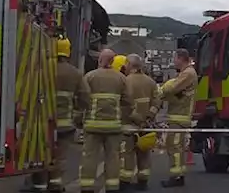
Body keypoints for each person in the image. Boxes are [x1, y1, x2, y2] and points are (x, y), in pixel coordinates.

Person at [35, 38, 86, 193]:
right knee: (60, 156)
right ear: (68, 51)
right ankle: (56, 184)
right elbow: (84, 98)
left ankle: (39, 184)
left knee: (41, 153)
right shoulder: (75, 73)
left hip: (41, 123)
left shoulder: (40, 69)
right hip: (65, 124)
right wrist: (77, 116)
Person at [80, 49, 134, 193]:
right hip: (113, 126)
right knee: (113, 158)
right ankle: (112, 187)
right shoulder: (121, 78)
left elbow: (81, 98)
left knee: (89, 157)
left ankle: (86, 187)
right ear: (112, 61)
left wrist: (81, 118)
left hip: (92, 125)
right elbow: (128, 101)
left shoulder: (90, 76)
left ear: (99, 60)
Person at [159, 48, 198, 188]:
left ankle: (175, 177)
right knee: (177, 147)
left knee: (174, 147)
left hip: (179, 117)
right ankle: (179, 175)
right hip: (179, 115)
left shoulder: (187, 73)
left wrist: (163, 89)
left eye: (174, 59)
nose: (173, 62)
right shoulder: (187, 73)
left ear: (181, 58)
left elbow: (172, 89)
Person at [122, 54, 161, 191]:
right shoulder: (150, 82)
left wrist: (136, 118)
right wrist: (149, 116)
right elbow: (157, 101)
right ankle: (143, 181)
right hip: (147, 126)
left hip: (129, 124)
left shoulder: (125, 81)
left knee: (127, 154)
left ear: (129, 65)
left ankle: (125, 182)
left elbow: (124, 106)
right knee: (144, 154)